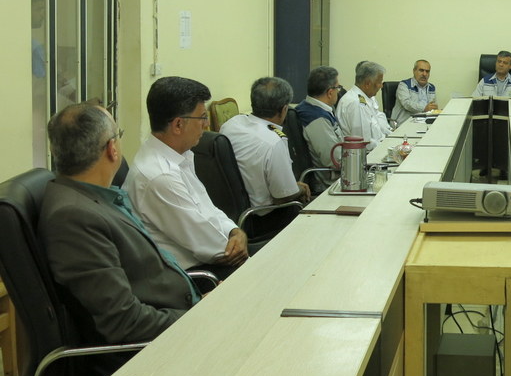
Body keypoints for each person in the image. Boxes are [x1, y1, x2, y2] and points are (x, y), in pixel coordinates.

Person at [39, 103, 200, 348]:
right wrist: (199, 317)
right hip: (158, 346)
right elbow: (125, 322)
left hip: (178, 314)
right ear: (112, 149)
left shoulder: (92, 196)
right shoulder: (74, 217)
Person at [124, 77, 249, 280]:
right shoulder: (160, 176)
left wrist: (235, 231)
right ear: (178, 125)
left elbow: (208, 210)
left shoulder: (179, 155)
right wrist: (236, 241)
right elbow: (216, 250)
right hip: (196, 277)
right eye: (202, 117)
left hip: (209, 260)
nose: (206, 125)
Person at [220, 77, 311, 235]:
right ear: (284, 109)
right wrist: (300, 189)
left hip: (231, 217)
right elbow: (283, 197)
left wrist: (291, 185)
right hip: (263, 219)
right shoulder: (274, 141)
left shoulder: (230, 125)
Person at [295, 65, 344, 194]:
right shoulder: (317, 118)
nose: (339, 91)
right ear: (330, 92)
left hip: (337, 176)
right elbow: (334, 159)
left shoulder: (313, 108)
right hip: (331, 184)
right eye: (338, 87)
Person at [335, 61, 392, 152]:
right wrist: (388, 146)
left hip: (377, 147)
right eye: (379, 82)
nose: (381, 86)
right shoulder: (357, 103)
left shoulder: (364, 98)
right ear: (367, 84)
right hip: (368, 155)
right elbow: (364, 143)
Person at [392, 59, 438, 124]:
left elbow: (432, 108)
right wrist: (424, 108)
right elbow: (406, 104)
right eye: (421, 70)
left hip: (424, 123)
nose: (424, 74)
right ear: (414, 71)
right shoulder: (404, 85)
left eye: (427, 71)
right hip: (405, 123)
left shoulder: (431, 87)